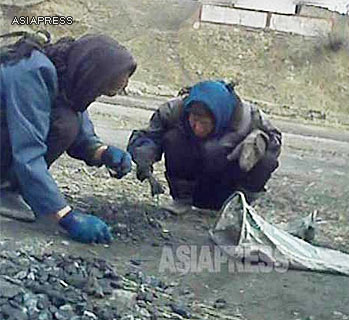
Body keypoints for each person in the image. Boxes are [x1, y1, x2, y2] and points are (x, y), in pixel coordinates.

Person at [0, 32, 137, 243]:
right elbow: (28, 149)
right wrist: (64, 216)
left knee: (66, 121)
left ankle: (13, 186)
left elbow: (76, 124)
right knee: (64, 124)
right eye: (98, 90)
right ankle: (4, 188)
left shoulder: (65, 74)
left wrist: (101, 152)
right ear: (89, 77)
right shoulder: (32, 71)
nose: (94, 96)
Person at [127, 80, 282, 214]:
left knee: (267, 159)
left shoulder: (248, 116)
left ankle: (239, 208)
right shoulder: (174, 110)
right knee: (172, 138)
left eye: (204, 123)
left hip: (230, 184)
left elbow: (274, 142)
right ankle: (182, 200)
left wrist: (258, 144)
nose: (197, 128)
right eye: (194, 120)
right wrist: (144, 156)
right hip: (192, 185)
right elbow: (149, 136)